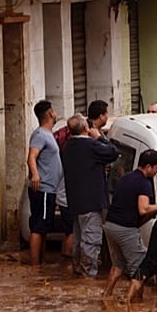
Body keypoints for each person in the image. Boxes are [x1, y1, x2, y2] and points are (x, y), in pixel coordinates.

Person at [103, 150, 157, 297]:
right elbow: (143, 209)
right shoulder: (144, 183)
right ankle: (134, 303)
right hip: (125, 229)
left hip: (110, 226)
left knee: (118, 263)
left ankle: (106, 295)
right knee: (141, 267)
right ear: (148, 167)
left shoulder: (126, 177)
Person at [60, 115, 119, 277]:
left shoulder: (68, 146)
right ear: (86, 128)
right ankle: (87, 276)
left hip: (75, 202)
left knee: (79, 239)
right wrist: (99, 137)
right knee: (91, 240)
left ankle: (78, 271)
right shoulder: (90, 145)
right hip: (91, 202)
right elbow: (113, 152)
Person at [27, 100, 63, 267]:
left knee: (43, 227)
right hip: (43, 188)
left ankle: (40, 262)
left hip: (50, 189)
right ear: (50, 113)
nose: (55, 113)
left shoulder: (48, 134)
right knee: (38, 227)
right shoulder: (40, 134)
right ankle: (35, 267)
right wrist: (35, 175)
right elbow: (32, 156)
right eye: (54, 111)